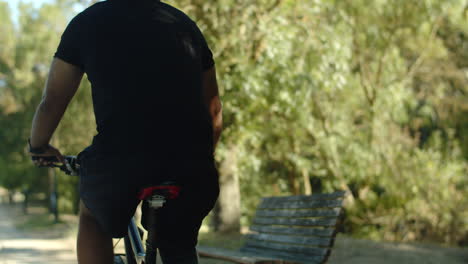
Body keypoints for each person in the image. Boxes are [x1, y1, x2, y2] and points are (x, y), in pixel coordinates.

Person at [27, 0, 223, 263]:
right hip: (191, 166)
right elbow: (214, 109)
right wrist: (200, 158)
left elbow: (52, 101)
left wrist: (38, 145)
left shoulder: (87, 23)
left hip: (119, 161)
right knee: (179, 240)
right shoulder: (184, 25)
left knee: (92, 215)